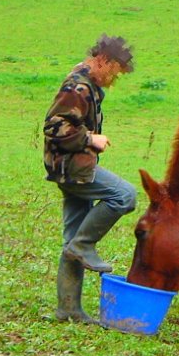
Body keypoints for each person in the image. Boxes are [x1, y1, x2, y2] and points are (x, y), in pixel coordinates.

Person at [44, 34, 137, 324]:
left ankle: (68, 309)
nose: (114, 79)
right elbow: (54, 126)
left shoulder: (88, 83)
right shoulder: (78, 87)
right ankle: (84, 246)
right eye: (115, 72)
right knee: (125, 195)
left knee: (71, 236)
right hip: (72, 168)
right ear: (103, 61)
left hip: (74, 165)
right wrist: (90, 138)